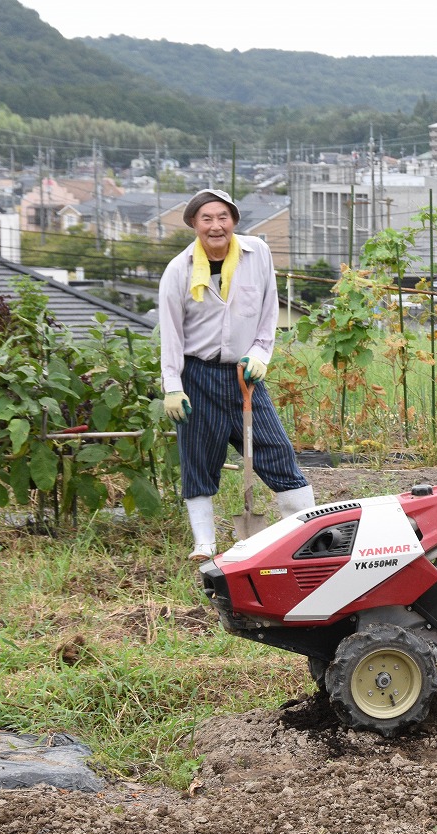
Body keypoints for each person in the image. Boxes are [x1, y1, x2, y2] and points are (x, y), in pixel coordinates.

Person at [158, 188, 315, 560]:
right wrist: (172, 386)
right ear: (194, 225)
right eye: (207, 219)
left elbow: (268, 309)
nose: (216, 226)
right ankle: (205, 543)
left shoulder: (256, 253)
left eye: (223, 217)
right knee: (198, 457)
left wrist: (261, 353)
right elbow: (171, 335)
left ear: (234, 221)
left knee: (276, 449)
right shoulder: (178, 271)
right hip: (197, 375)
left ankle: (307, 531)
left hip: (245, 374)